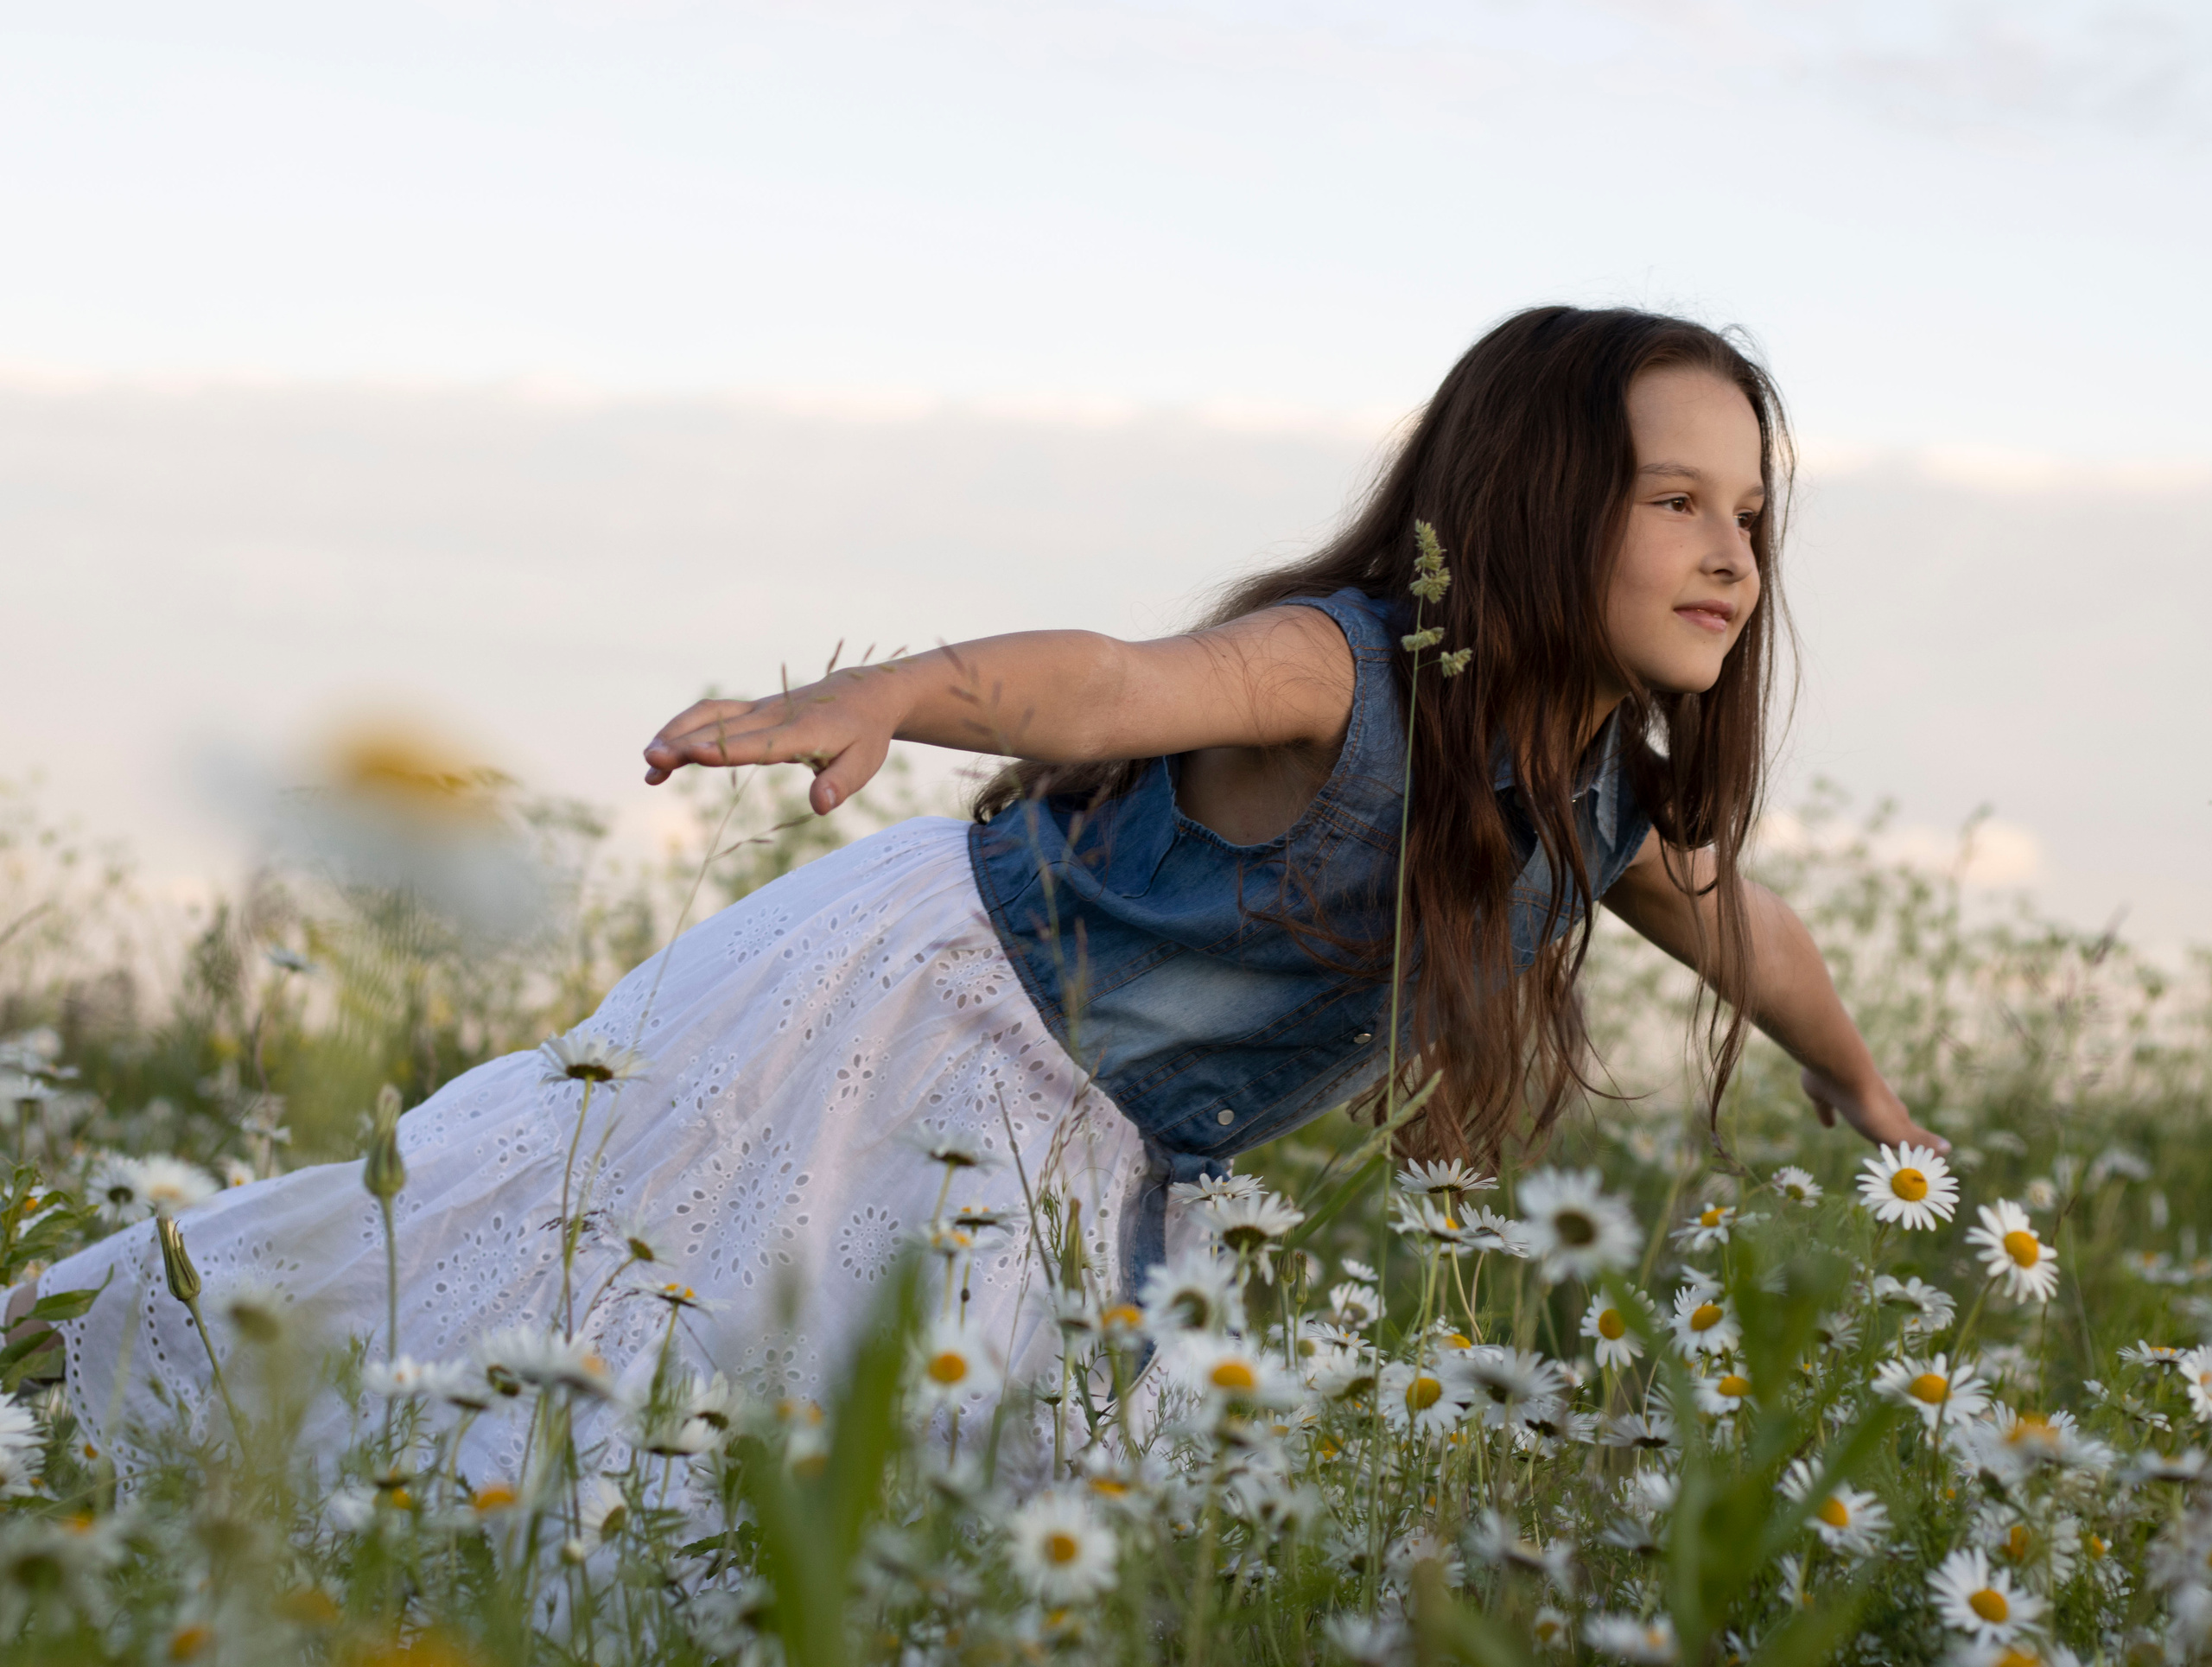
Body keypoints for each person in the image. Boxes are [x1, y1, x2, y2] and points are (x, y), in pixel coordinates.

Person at [16, 305, 1945, 1477]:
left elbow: (1748, 931)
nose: (1730, 551)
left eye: (1749, 514)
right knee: (575, 1273)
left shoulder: (1603, 793)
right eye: (1673, 499)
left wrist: (1854, 1082)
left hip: (1095, 1140)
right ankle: (90, 1393)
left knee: (962, 1456)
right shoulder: (1349, 672)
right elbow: (1103, 684)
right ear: (1530, 499)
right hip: (926, 1014)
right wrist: (876, 693)